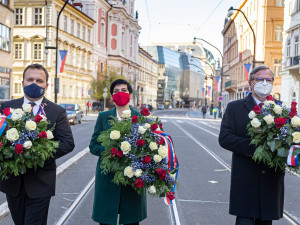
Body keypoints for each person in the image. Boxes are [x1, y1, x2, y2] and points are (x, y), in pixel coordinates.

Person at [0, 63, 75, 225]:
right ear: (22, 83)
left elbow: (68, 143)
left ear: (46, 85)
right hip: (13, 184)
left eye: (39, 81)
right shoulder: (7, 108)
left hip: (40, 183)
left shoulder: (56, 111)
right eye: (30, 79)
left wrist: (39, 155)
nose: (34, 83)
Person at [219, 65, 284, 225]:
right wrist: (257, 148)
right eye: (260, 79)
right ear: (251, 83)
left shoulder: (282, 109)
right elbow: (225, 138)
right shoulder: (234, 107)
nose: (264, 83)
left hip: (271, 179)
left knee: (265, 222)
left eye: (268, 80)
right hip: (245, 178)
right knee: (245, 221)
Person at [89, 79, 147, 225]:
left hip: (133, 177)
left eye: (124, 90)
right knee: (107, 220)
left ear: (130, 95)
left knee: (131, 220)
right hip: (108, 176)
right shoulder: (103, 117)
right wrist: (111, 151)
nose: (120, 94)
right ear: (111, 97)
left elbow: (147, 147)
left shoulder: (140, 118)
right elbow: (93, 145)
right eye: (116, 91)